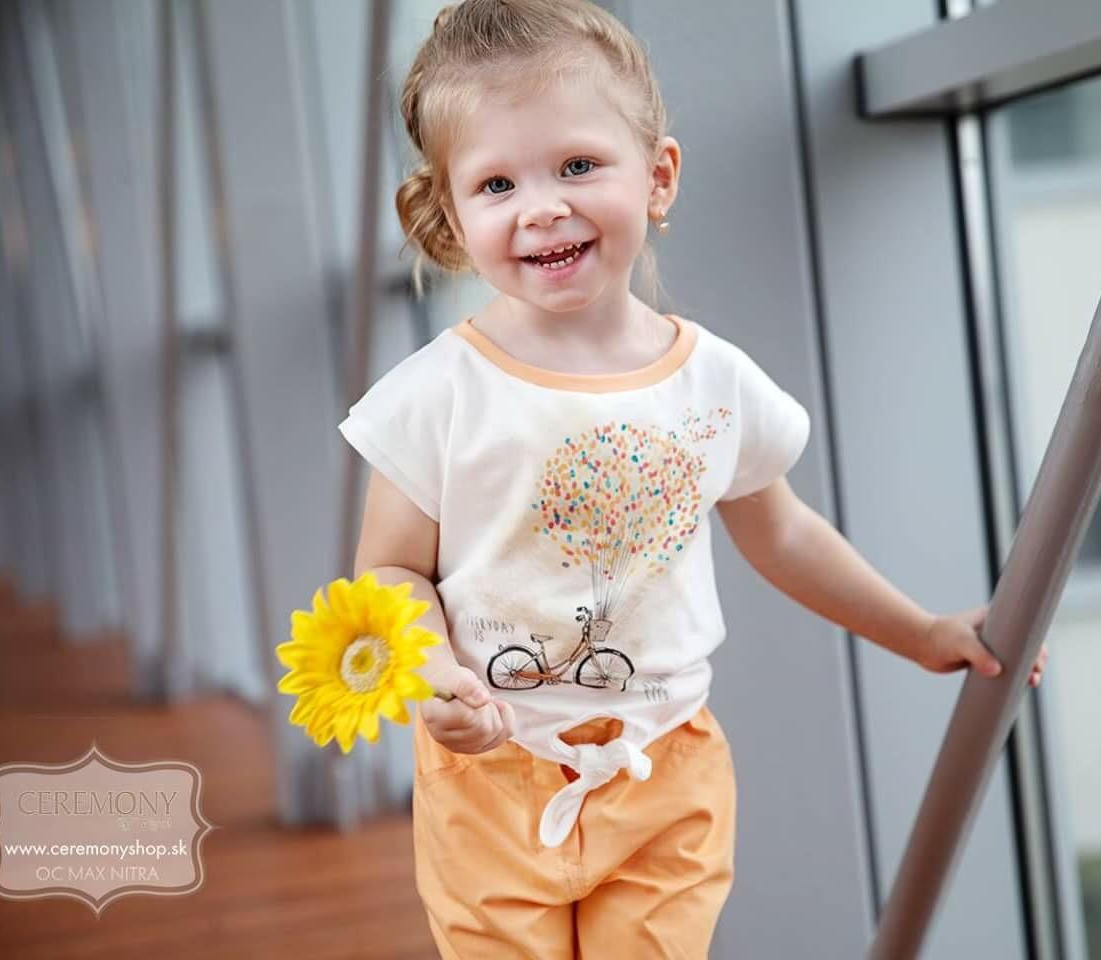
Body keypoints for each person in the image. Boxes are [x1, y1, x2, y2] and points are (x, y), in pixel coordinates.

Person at [339, 1, 1049, 956]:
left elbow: (784, 534)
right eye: (497, 183)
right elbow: (389, 573)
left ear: (658, 175)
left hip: (664, 776)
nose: (541, 206)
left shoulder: (713, 382)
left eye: (577, 166)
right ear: (454, 214)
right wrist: (433, 675)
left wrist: (919, 632)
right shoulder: (434, 395)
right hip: (489, 779)